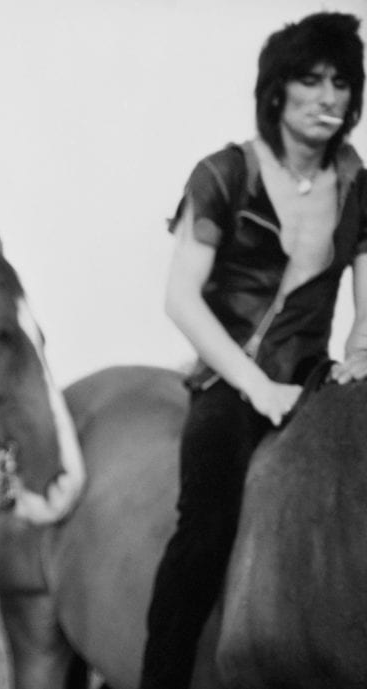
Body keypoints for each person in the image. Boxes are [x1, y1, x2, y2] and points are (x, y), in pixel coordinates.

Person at [140, 12, 367, 688]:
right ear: (277, 91)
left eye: (343, 83)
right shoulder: (224, 173)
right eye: (311, 80)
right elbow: (180, 299)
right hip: (229, 380)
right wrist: (256, 388)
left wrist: (361, 348)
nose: (331, 98)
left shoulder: (359, 181)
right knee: (203, 530)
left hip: (311, 373)